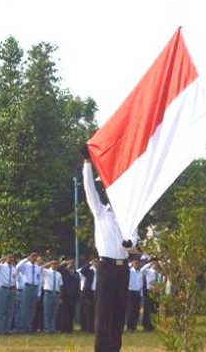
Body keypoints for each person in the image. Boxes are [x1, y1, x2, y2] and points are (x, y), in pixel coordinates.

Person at [83, 146, 131, 352]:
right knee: (103, 311)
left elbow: (134, 238)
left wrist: (130, 243)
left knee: (119, 311)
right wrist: (87, 164)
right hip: (107, 266)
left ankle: (115, 348)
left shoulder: (128, 216)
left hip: (123, 267)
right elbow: (89, 190)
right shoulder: (101, 212)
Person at [16, 252, 41, 333]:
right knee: (25, 307)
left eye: (35, 257)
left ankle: (29, 327)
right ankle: (23, 327)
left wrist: (38, 292)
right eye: (33, 257)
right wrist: (26, 259)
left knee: (32, 308)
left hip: (35, 287)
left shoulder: (37, 267)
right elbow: (18, 267)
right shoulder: (26, 266)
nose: (34, 258)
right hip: (27, 286)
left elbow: (39, 279)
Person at [0, 254, 17, 335]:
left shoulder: (14, 268)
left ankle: (8, 329)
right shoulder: (2, 266)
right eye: (9, 257)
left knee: (10, 310)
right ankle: (1, 329)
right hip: (3, 288)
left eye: (12, 258)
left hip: (11, 289)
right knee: (2, 310)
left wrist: (15, 288)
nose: (10, 259)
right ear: (6, 258)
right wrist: (1, 259)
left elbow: (14, 279)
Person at [58, 258, 81, 333]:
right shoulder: (64, 272)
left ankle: (69, 328)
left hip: (73, 296)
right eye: (70, 264)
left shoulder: (76, 273)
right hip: (65, 295)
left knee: (71, 313)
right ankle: (63, 328)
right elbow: (59, 268)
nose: (71, 265)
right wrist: (65, 263)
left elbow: (78, 284)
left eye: (73, 264)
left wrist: (77, 295)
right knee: (64, 312)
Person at [41, 259, 63, 333]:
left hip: (56, 293)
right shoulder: (46, 271)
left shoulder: (58, 274)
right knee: (47, 312)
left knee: (54, 312)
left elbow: (60, 285)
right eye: (53, 264)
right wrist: (48, 263)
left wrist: (60, 296)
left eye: (56, 264)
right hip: (48, 293)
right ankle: (47, 328)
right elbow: (40, 268)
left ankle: (52, 328)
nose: (55, 265)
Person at [79, 257, 98, 333]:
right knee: (88, 311)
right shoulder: (90, 271)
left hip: (97, 292)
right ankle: (88, 328)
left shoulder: (100, 271)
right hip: (89, 292)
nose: (96, 263)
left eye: (97, 262)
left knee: (95, 311)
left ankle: (94, 328)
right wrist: (89, 263)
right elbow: (82, 270)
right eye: (95, 262)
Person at [125, 258, 143, 332]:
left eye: (138, 263)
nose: (137, 265)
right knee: (130, 310)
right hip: (131, 291)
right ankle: (129, 326)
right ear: (133, 263)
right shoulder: (130, 271)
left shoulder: (140, 273)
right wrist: (130, 265)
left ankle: (134, 326)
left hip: (137, 292)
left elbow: (141, 283)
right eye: (135, 263)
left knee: (136, 310)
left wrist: (141, 293)